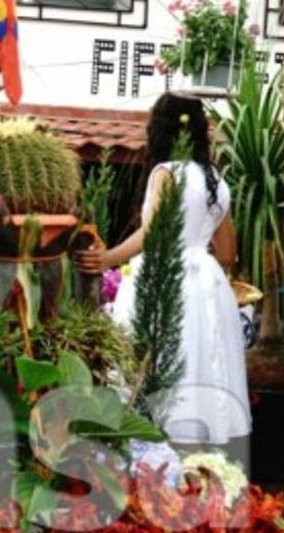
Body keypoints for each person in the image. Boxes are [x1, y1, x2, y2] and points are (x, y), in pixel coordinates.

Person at [77, 92, 250, 448]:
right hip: (207, 280)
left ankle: (152, 453)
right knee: (200, 363)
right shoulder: (216, 179)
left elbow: (154, 233)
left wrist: (108, 258)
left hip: (166, 276)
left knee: (155, 364)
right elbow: (229, 253)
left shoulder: (165, 173)